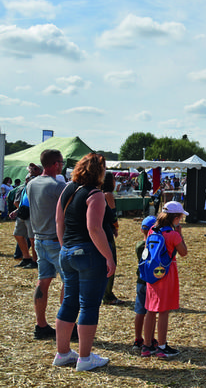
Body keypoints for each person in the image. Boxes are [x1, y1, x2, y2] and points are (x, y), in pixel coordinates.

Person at [53, 153, 114, 371]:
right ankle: (85, 358)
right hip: (88, 253)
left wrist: (65, 246)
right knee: (89, 305)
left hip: (67, 251)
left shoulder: (67, 189)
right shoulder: (95, 194)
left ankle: (62, 353)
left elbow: (59, 221)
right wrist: (108, 256)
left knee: (68, 302)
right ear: (100, 172)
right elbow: (94, 229)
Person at [26, 149, 67, 340]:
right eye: (61, 162)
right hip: (55, 240)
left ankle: (40, 325)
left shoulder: (31, 184)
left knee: (43, 281)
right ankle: (66, 324)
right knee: (69, 283)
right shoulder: (57, 186)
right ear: (54, 164)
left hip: (39, 238)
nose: (62, 165)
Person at [141, 201, 188, 358]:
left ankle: (147, 345)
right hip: (167, 274)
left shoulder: (152, 231)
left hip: (151, 274)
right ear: (175, 218)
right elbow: (184, 252)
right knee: (163, 311)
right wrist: (180, 234)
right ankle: (162, 346)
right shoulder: (172, 235)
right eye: (180, 217)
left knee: (150, 309)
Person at [132, 215, 157, 351]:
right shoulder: (153, 246)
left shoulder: (139, 245)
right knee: (150, 312)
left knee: (139, 311)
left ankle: (137, 338)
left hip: (139, 282)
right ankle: (150, 339)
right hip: (150, 283)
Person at [101, 172, 123, 305]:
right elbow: (112, 214)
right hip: (106, 231)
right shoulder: (108, 195)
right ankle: (108, 295)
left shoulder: (96, 193)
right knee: (111, 262)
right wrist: (116, 226)